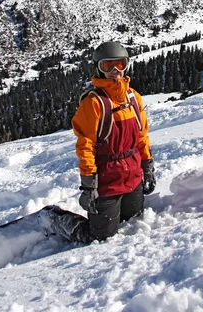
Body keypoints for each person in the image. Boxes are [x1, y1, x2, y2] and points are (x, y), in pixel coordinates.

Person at [39, 41, 156, 244]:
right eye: (107, 65)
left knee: (133, 222)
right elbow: (86, 146)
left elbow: (141, 137)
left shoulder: (133, 98)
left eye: (120, 64)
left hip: (133, 175)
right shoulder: (93, 103)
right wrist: (89, 185)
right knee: (100, 236)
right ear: (98, 68)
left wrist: (147, 167)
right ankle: (54, 219)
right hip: (107, 180)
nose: (114, 71)